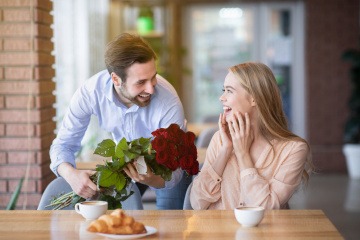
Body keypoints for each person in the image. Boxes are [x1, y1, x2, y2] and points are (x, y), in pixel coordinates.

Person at [49, 33, 191, 209]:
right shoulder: (90, 93)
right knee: (118, 220)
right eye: (140, 82)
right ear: (115, 79)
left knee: (171, 224)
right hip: (127, 164)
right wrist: (71, 174)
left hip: (165, 167)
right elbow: (63, 145)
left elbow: (175, 171)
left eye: (153, 77)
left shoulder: (167, 101)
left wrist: (152, 178)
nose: (151, 89)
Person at [190, 62, 313, 210]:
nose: (221, 97)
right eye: (224, 90)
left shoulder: (293, 149)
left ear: (254, 97)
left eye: (229, 91)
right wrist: (224, 151)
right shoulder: (220, 139)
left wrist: (243, 155)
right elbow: (197, 203)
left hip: (264, 233)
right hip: (219, 232)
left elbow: (266, 209)